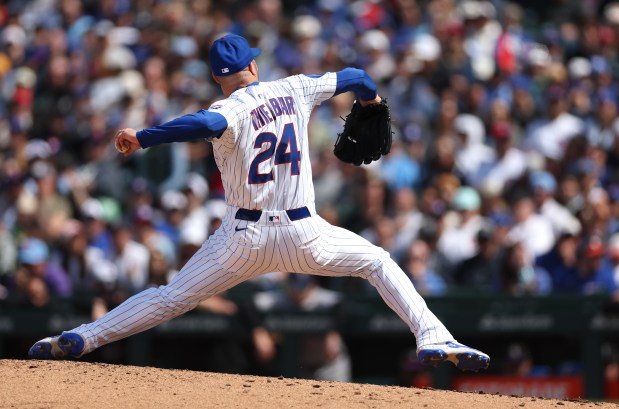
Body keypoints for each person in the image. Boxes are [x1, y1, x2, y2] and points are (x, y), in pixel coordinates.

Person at [28, 34, 489, 371]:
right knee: (377, 262)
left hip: (241, 239)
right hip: (305, 233)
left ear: (217, 76)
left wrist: (143, 137)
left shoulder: (227, 108)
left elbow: (200, 124)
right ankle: (432, 335)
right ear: (253, 64)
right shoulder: (294, 87)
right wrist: (371, 101)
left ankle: (82, 337)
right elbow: (358, 76)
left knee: (170, 298)